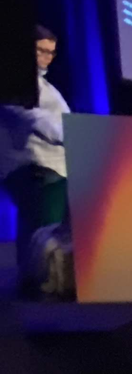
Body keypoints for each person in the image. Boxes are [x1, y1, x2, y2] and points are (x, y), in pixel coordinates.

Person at [1, 25, 69, 261]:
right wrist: (73, 134)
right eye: (41, 50)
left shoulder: (47, 87)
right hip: (36, 168)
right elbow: (36, 118)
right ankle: (38, 280)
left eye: (51, 52)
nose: (47, 57)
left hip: (53, 168)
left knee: (39, 234)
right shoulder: (14, 83)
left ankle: (35, 277)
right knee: (43, 235)